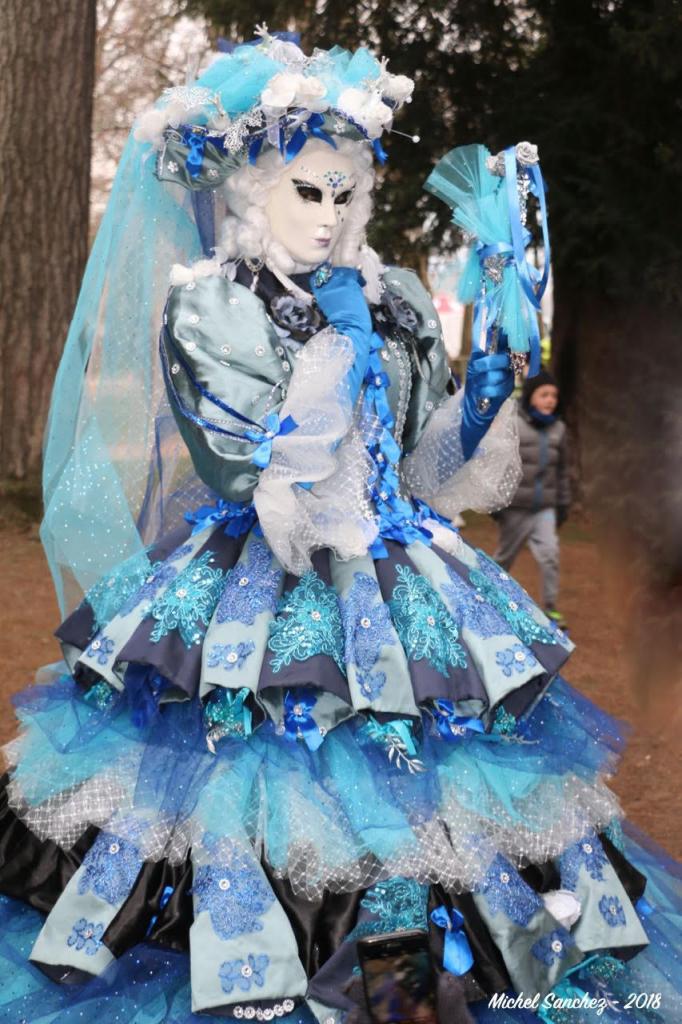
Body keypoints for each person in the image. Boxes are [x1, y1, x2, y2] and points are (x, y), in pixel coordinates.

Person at [0, 29, 680, 1024]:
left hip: (407, 583)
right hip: (260, 591)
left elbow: (426, 474)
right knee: (254, 788)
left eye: (341, 191)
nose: (325, 216)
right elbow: (257, 474)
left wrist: (480, 394)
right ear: (246, 193)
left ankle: (405, 981)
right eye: (302, 190)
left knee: (444, 801)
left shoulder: (397, 302)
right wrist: (330, 354)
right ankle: (279, 971)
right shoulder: (213, 312)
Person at [493, 370, 570, 627]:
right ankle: (488, 600)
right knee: (504, 558)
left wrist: (563, 503)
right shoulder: (514, 423)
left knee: (550, 555)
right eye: (544, 394)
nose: (550, 400)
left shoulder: (559, 429)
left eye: (554, 396)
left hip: (544, 508)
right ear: (530, 397)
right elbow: (499, 464)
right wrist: (497, 502)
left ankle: (550, 609)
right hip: (516, 507)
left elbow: (562, 472)